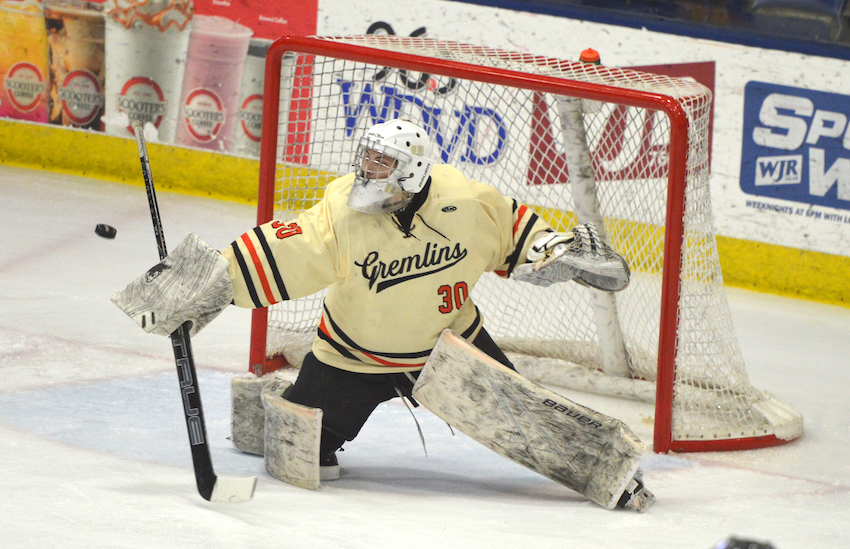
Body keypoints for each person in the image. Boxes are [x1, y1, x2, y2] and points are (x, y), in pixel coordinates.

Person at [112, 118, 650, 511]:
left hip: (450, 351)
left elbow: (513, 230)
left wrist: (554, 251)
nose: (367, 169)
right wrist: (201, 282)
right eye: (366, 158)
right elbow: (283, 251)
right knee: (304, 456)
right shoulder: (343, 212)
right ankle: (266, 408)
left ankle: (615, 475)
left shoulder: (465, 201)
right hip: (351, 358)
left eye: (382, 162)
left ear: (414, 170)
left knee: (529, 421)